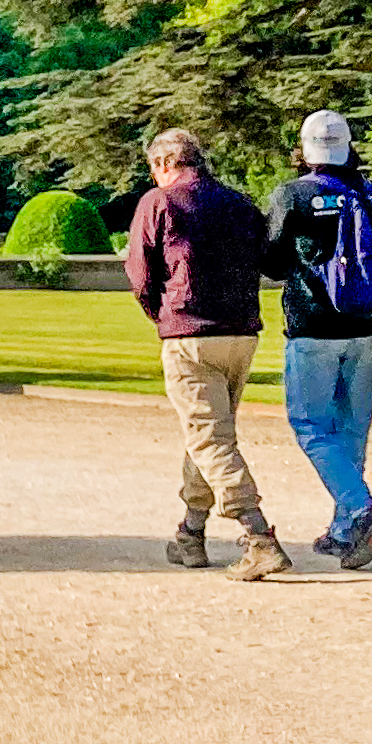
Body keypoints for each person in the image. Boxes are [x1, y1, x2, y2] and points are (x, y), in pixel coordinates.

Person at [126, 128, 288, 580]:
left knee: (210, 439)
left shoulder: (158, 203)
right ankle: (191, 533)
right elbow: (268, 260)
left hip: (189, 334)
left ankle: (259, 537)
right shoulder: (239, 203)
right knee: (210, 432)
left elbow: (140, 274)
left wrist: (162, 315)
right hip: (241, 334)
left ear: (163, 164)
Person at [263, 109, 372, 567]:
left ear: (305, 150)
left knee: (311, 426)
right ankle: (344, 530)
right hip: (363, 325)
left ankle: (361, 511)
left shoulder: (293, 195)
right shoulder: (369, 192)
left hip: (312, 325)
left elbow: (273, 262)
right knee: (351, 429)